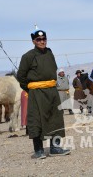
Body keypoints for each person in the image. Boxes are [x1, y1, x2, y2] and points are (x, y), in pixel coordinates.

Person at [17, 29, 71, 159]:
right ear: (33, 41)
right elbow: (21, 77)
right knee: (36, 120)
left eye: (44, 39)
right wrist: (32, 89)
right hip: (36, 92)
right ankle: (39, 150)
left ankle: (55, 148)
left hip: (52, 91)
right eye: (39, 40)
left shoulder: (49, 52)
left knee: (55, 118)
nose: (42, 41)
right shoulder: (27, 56)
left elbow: (53, 70)